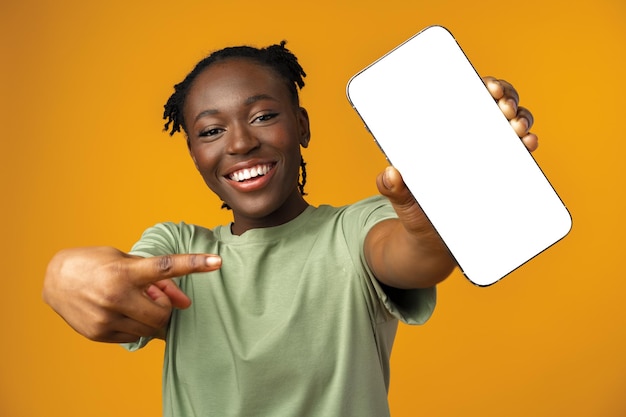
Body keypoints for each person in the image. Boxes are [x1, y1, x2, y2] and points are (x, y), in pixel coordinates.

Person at [42, 41, 538, 416]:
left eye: (263, 116)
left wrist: (432, 215)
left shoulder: (353, 229)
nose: (239, 143)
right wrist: (62, 275)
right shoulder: (177, 248)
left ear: (301, 126)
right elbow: (116, 288)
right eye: (212, 130)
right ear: (194, 152)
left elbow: (414, 255)